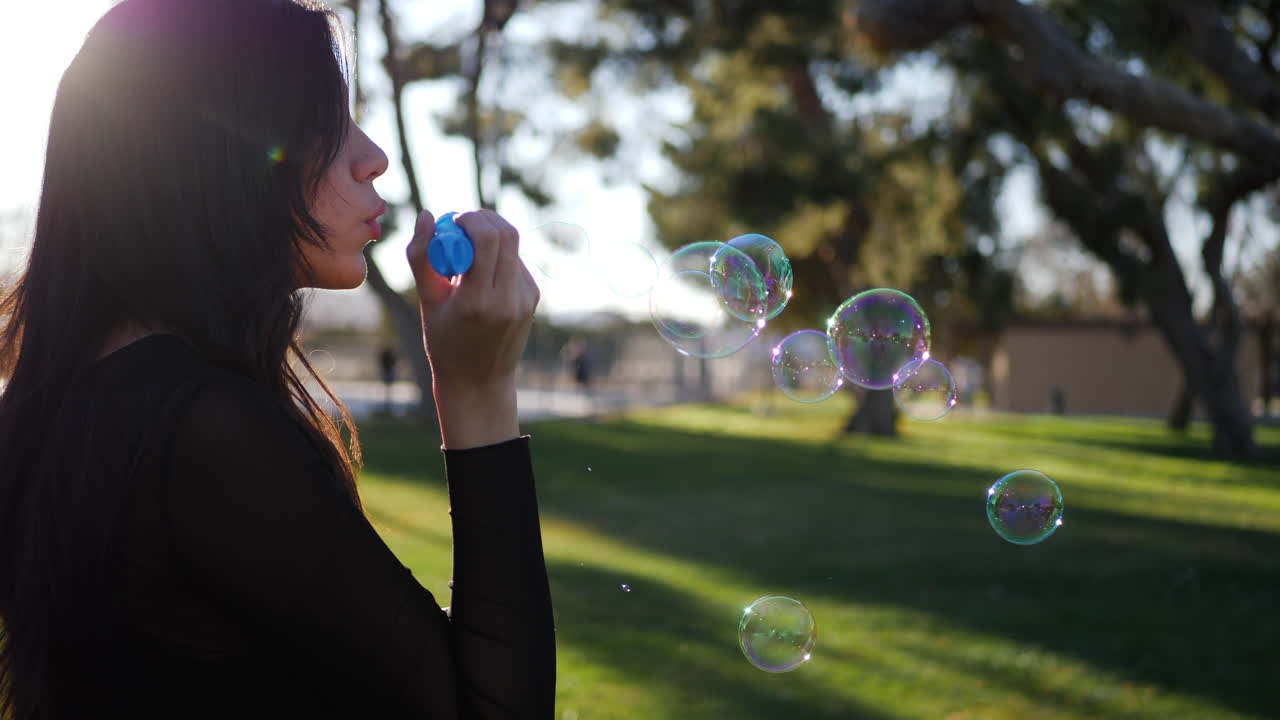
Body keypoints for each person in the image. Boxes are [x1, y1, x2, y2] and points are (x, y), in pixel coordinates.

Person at [0, 0, 553, 717]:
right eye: (325, 121)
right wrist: (478, 392)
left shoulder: (60, 400)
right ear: (211, 149)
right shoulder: (203, 432)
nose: (372, 157)